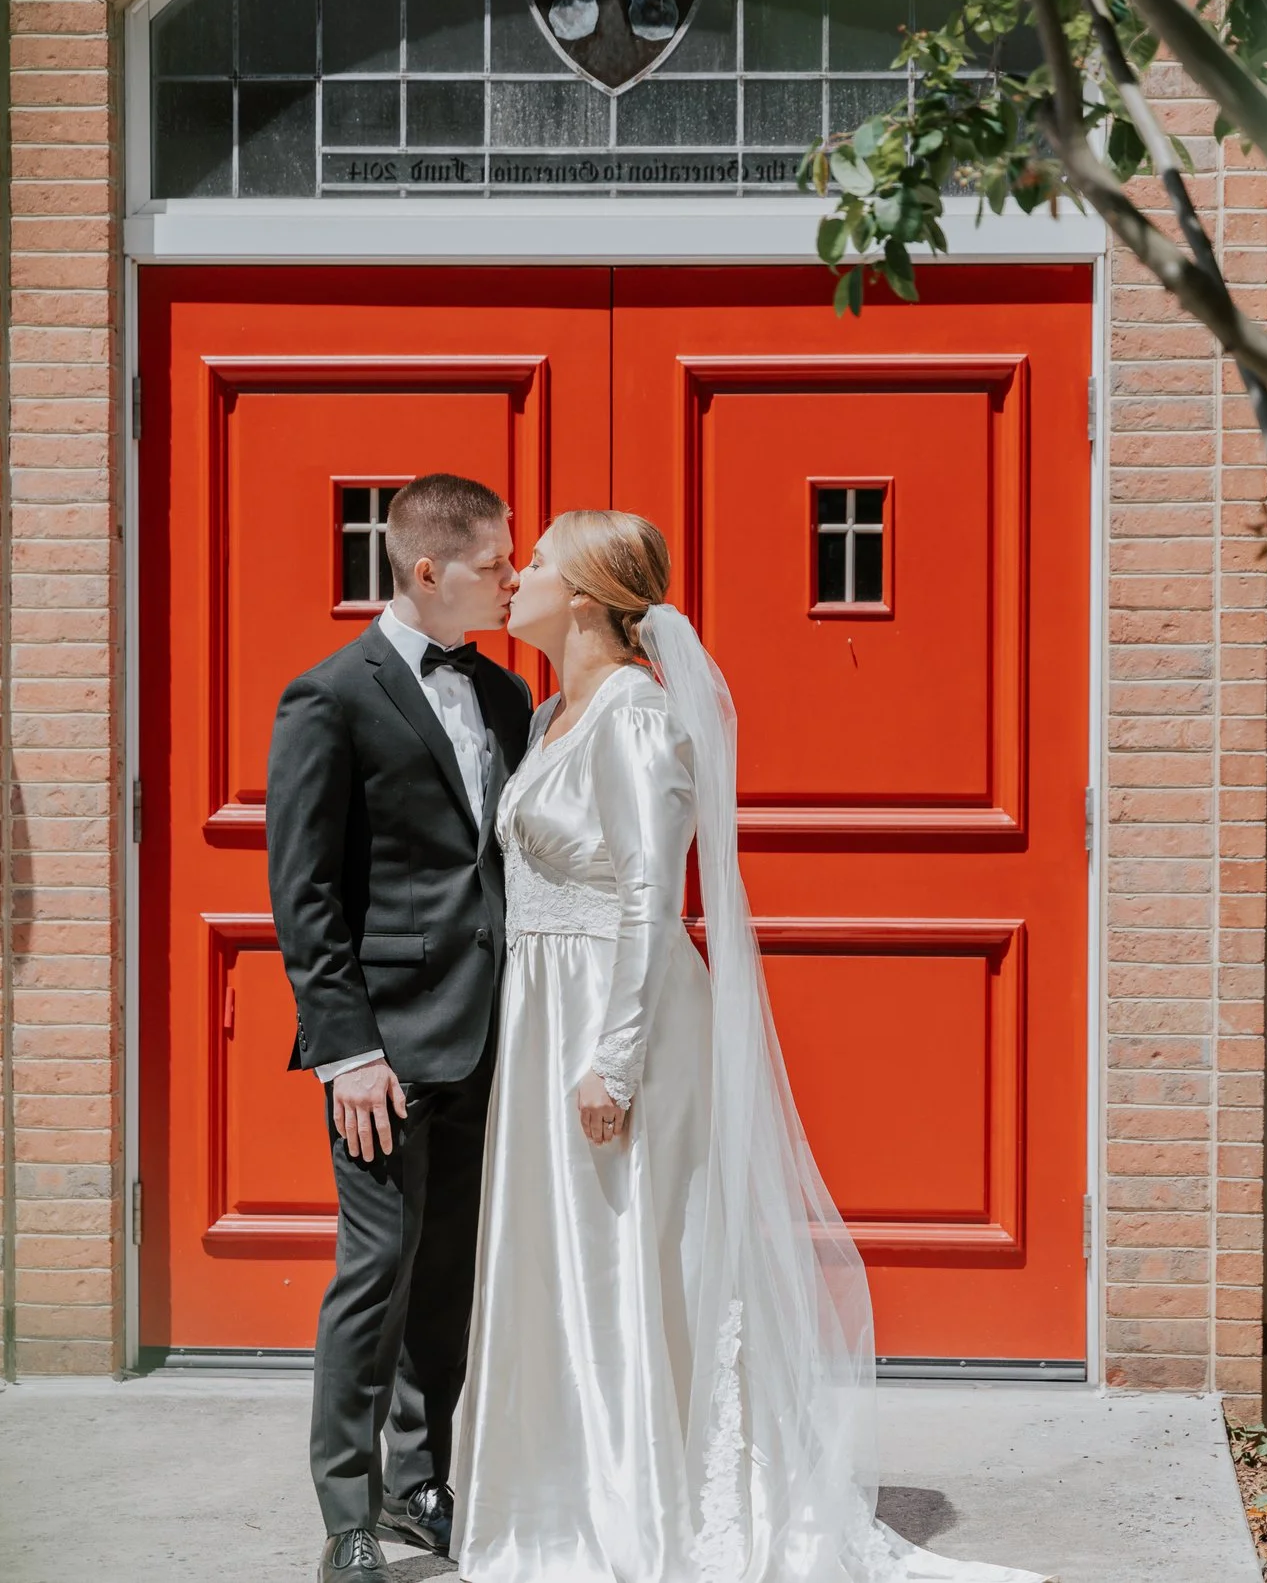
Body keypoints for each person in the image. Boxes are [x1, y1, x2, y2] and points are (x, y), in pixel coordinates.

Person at [452, 510, 1051, 1583]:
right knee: (569, 1254)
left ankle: (650, 1504)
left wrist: (616, 1057)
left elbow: (648, 890)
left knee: (633, 1253)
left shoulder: (635, 717)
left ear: (584, 595)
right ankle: (566, 1490)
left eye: (534, 560)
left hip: (614, 1014)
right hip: (545, 1008)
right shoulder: (549, 711)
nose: (516, 575)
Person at [265, 474, 535, 1583]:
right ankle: (349, 1509)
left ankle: (425, 1477)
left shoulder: (510, 695)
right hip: (382, 1047)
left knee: (450, 1270)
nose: (514, 581)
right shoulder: (330, 695)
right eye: (495, 565)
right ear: (430, 570)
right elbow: (305, 890)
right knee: (374, 1270)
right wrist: (348, 1051)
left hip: (492, 1034)